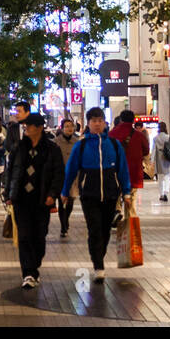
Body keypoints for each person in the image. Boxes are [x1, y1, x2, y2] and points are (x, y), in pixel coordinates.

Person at [61, 107, 132, 281]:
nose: (97, 124)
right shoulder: (81, 145)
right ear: (88, 124)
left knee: (106, 230)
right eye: (94, 121)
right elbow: (71, 170)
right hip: (89, 195)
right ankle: (98, 265)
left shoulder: (114, 145)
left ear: (105, 122)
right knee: (94, 230)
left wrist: (127, 192)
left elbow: (123, 170)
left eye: (100, 120)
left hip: (110, 194)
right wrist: (65, 191)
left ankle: (99, 256)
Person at [8, 113, 63, 288]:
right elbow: (10, 172)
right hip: (21, 199)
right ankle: (28, 272)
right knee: (24, 236)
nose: (26, 128)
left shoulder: (52, 149)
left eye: (29, 126)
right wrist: (9, 194)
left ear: (39, 127)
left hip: (42, 200)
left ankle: (34, 265)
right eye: (25, 126)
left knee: (39, 236)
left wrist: (52, 195)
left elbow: (58, 173)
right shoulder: (18, 148)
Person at [109, 110, 151, 201]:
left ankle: (117, 210)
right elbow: (146, 151)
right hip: (134, 171)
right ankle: (129, 214)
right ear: (133, 121)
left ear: (121, 120)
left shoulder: (112, 134)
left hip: (116, 170)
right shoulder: (139, 135)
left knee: (117, 193)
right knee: (131, 199)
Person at [54, 117, 81, 238]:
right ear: (62, 128)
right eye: (67, 126)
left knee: (70, 201)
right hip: (60, 176)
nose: (69, 129)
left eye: (71, 126)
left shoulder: (77, 142)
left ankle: (66, 219)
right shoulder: (56, 142)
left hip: (74, 176)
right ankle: (63, 226)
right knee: (61, 201)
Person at [3, 100, 30, 197]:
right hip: (16, 165)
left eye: (19, 111)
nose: (16, 114)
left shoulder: (34, 127)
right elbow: (8, 144)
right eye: (16, 111)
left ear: (27, 113)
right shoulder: (12, 128)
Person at [152, 121, 170, 202]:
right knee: (167, 177)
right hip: (167, 158)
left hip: (159, 158)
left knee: (160, 178)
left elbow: (153, 150)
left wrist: (152, 161)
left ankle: (161, 194)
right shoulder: (169, 137)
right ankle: (166, 192)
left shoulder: (155, 138)